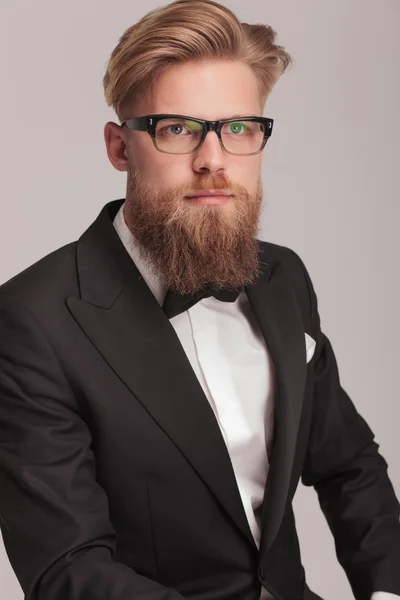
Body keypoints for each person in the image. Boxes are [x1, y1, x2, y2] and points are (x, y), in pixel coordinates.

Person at [0, 0, 399, 599]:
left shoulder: (283, 275)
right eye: (178, 128)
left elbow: (349, 463)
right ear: (119, 148)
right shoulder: (30, 320)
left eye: (239, 128)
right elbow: (67, 570)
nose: (214, 160)